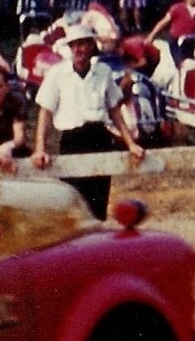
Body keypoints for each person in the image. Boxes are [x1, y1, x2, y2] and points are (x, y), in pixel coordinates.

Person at [31, 24, 146, 219]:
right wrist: (40, 148)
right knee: (73, 202)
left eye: (82, 44)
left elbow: (115, 110)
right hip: (72, 141)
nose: (78, 50)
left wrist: (131, 144)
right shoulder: (57, 74)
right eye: (74, 45)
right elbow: (45, 112)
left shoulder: (103, 72)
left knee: (98, 204)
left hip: (99, 138)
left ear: (91, 46)